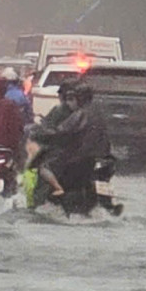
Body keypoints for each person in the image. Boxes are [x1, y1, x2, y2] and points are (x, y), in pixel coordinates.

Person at [30, 82, 117, 213]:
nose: (71, 102)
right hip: (103, 158)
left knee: (45, 168)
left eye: (74, 98)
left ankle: (56, 193)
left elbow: (62, 130)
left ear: (80, 98)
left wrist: (41, 134)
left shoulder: (81, 114)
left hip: (80, 158)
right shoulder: (98, 111)